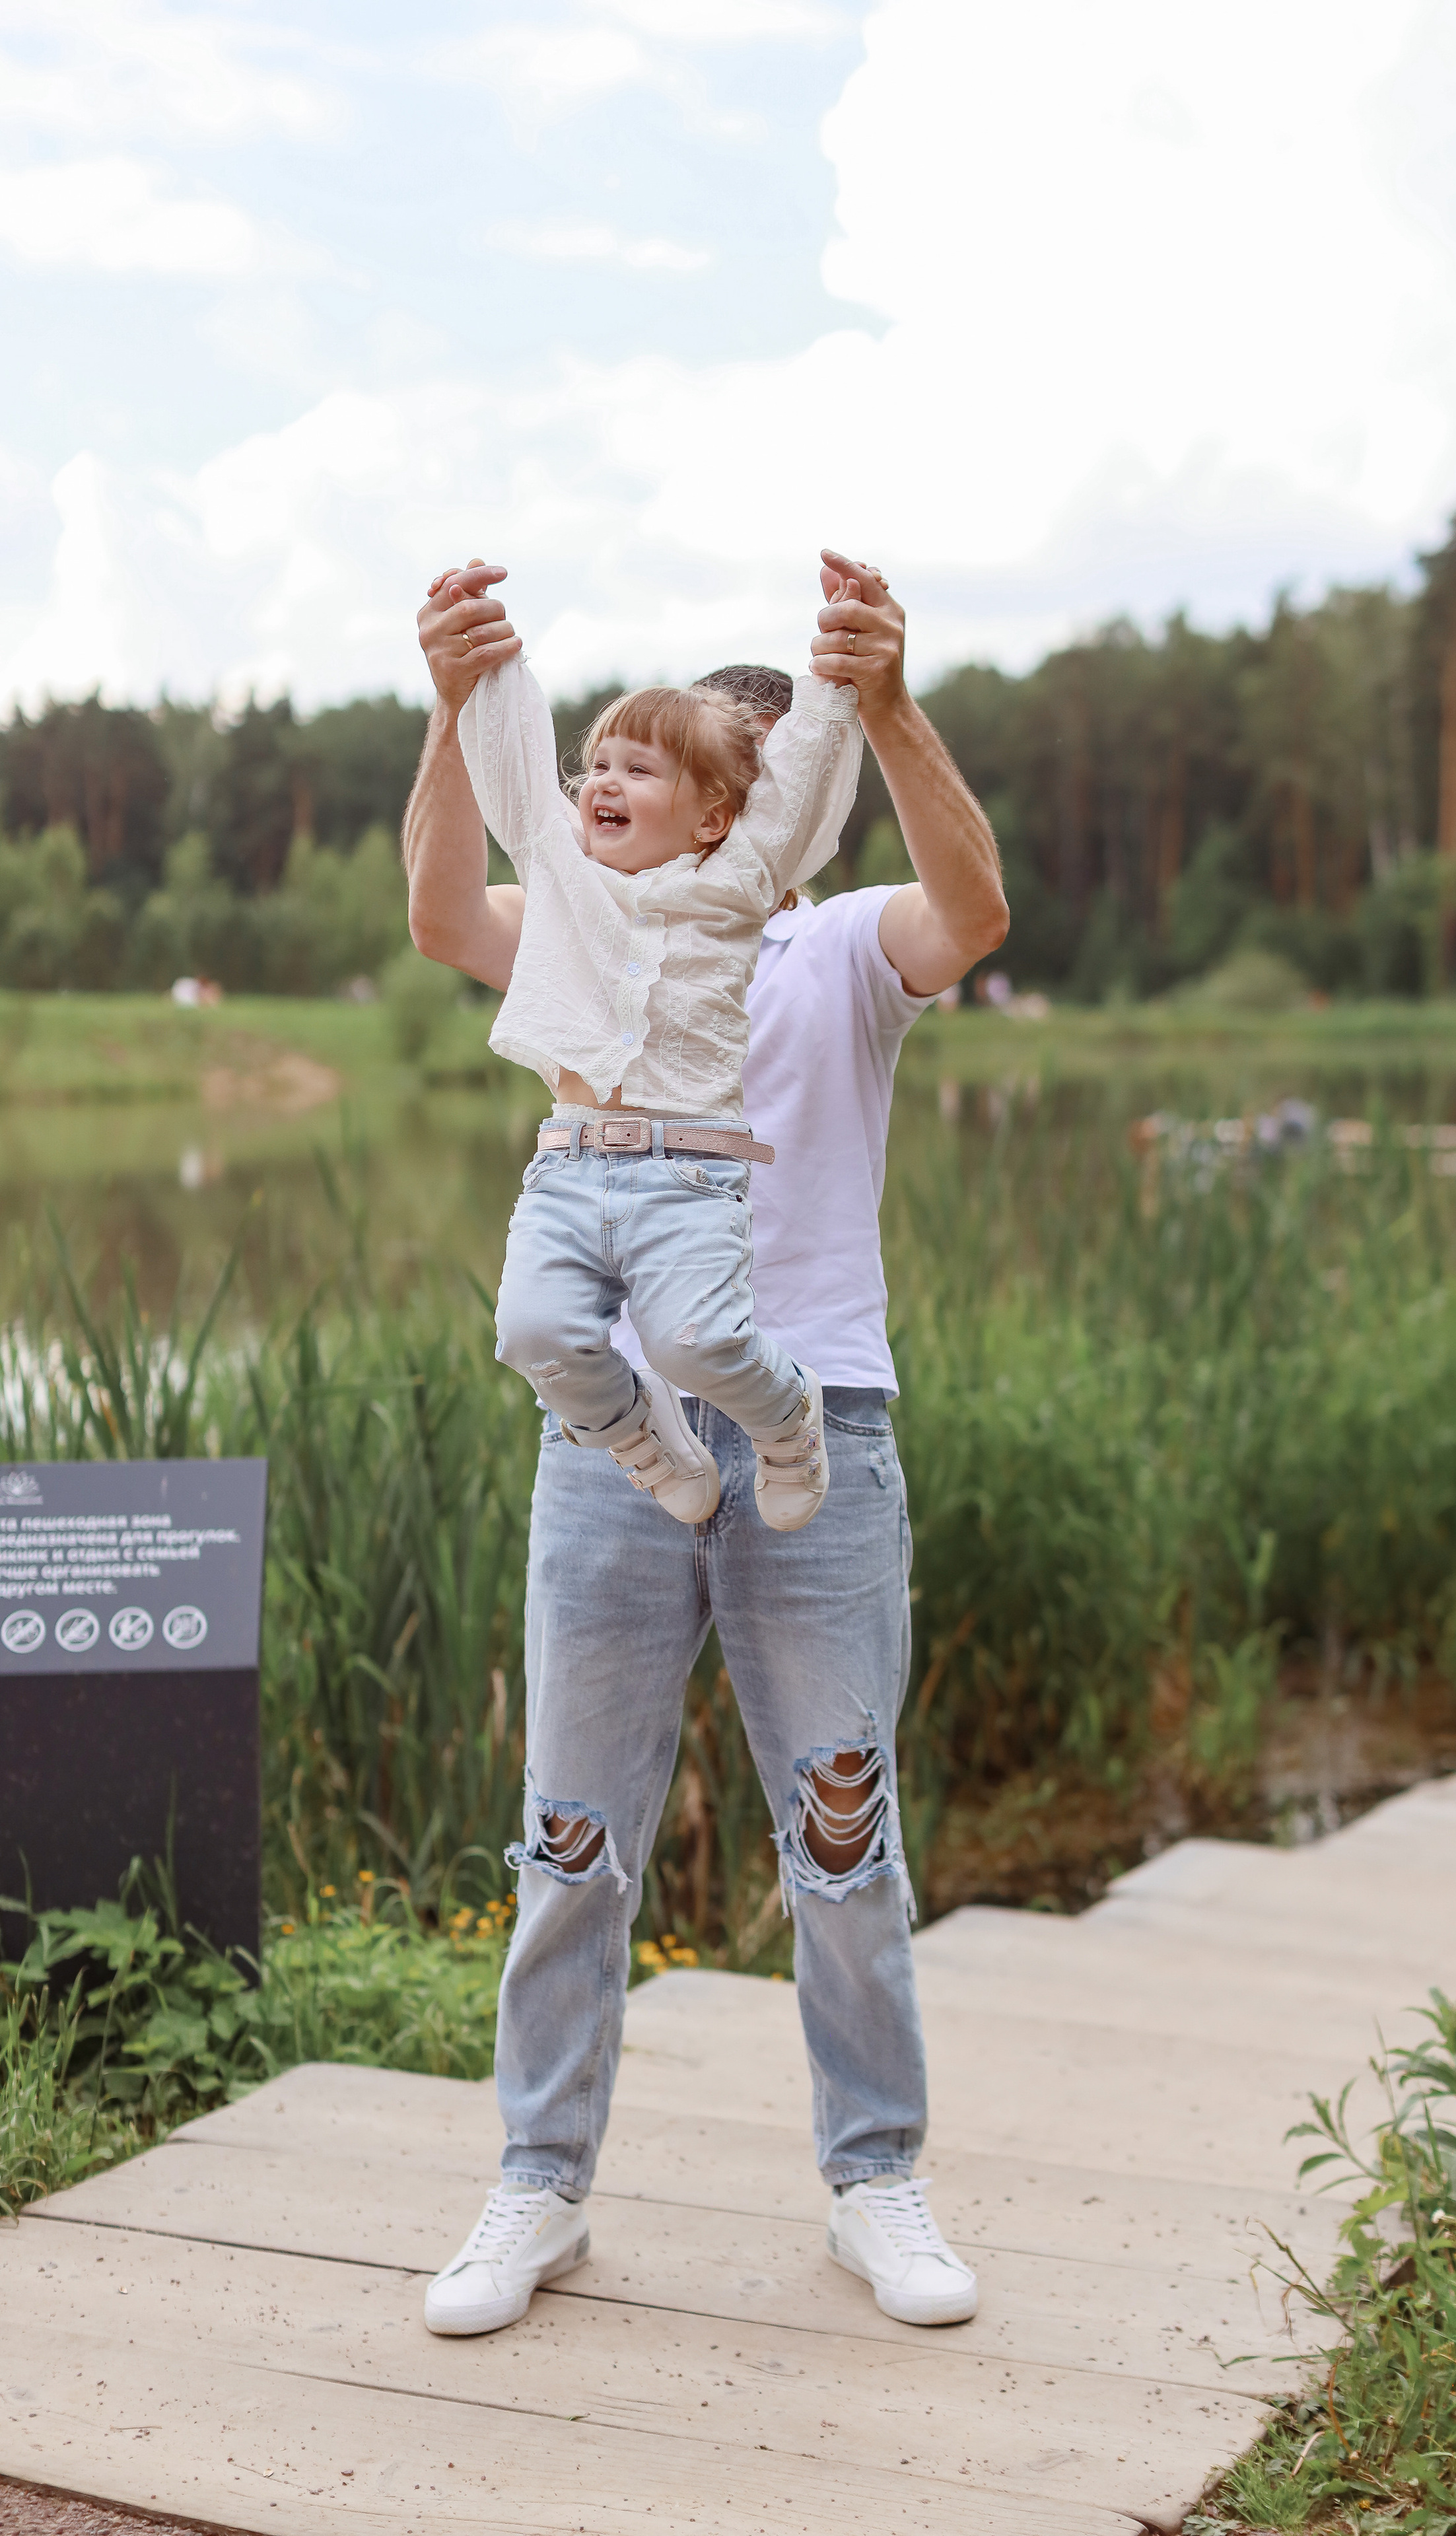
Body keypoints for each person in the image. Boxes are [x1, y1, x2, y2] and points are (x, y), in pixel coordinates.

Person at [401, 549, 1009, 2337]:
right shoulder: (594, 927)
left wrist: (887, 703)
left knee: (843, 1829)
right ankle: (538, 2184)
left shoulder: (842, 945)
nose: (653, 786)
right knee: (568, 1836)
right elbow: (438, 915)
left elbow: (973, 910)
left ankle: (874, 2178)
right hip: (613, 1446)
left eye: (722, 760)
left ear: (774, 804)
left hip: (822, 1428)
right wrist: (450, 707)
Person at [460, 615, 867, 1536]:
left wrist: (835, 681)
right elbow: (516, 776)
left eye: (640, 771)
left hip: (690, 1173)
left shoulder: (738, 883)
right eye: (598, 766)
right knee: (532, 1333)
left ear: (713, 817)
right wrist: (492, 667)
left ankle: (786, 1419)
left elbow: (799, 790)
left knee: (698, 1342)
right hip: (568, 1167)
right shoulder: (561, 874)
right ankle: (637, 1433)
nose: (604, 782)